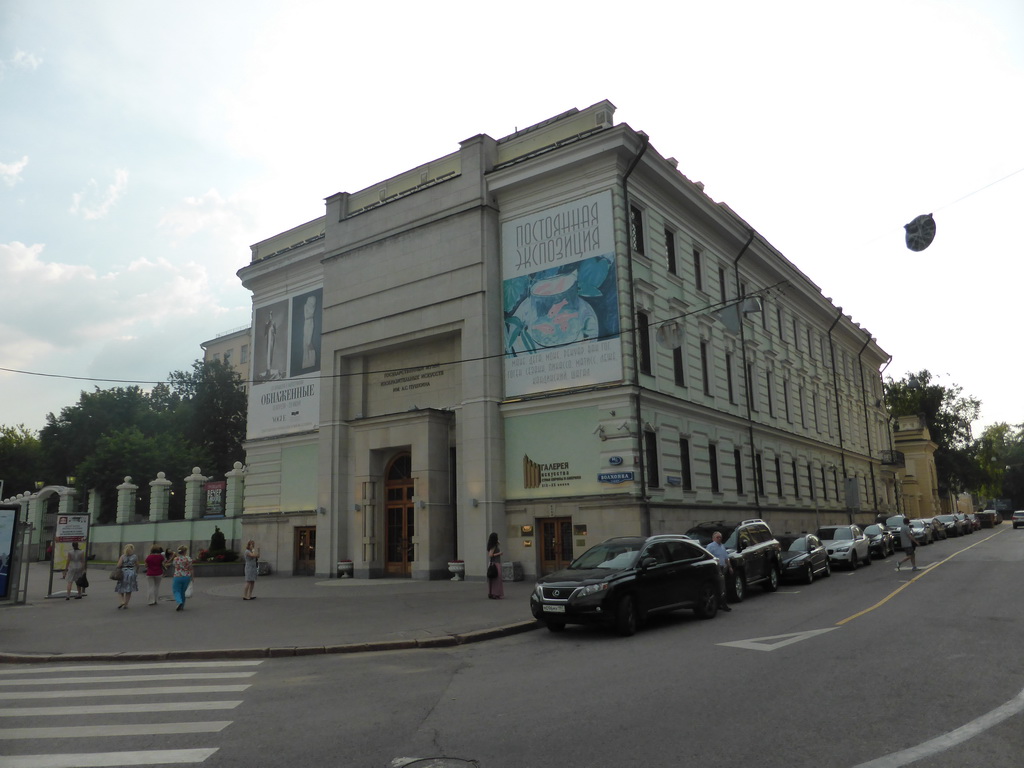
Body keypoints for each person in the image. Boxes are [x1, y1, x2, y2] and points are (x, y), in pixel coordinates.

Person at [705, 531, 733, 612]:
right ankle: (723, 605)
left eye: (720, 537)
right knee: (721, 587)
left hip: (723, 568)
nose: (719, 539)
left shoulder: (722, 546)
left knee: (723, 587)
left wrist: (730, 567)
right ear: (713, 538)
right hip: (716, 569)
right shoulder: (710, 546)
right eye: (717, 537)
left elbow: (726, 557)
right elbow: (708, 557)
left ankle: (721, 603)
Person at [114, 544, 139, 609]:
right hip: (131, 572)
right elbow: (137, 565)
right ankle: (126, 604)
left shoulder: (123, 556)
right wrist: (136, 571)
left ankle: (122, 601)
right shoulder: (134, 556)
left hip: (123, 572)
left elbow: (118, 565)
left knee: (120, 588)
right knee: (129, 589)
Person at [170, 545, 194, 612]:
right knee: (183, 592)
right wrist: (192, 577)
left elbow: (174, 565)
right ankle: (182, 605)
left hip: (178, 576)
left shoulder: (176, 559)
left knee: (176, 590)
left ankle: (179, 601)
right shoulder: (188, 559)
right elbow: (191, 568)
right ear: (185, 551)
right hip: (187, 576)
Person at [486, 532, 504, 599]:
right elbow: (490, 555)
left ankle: (492, 593)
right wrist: (499, 553)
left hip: (493, 563)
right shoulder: (493, 546)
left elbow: (499, 542)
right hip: (495, 563)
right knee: (497, 579)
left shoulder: (493, 544)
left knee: (493, 579)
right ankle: (495, 593)